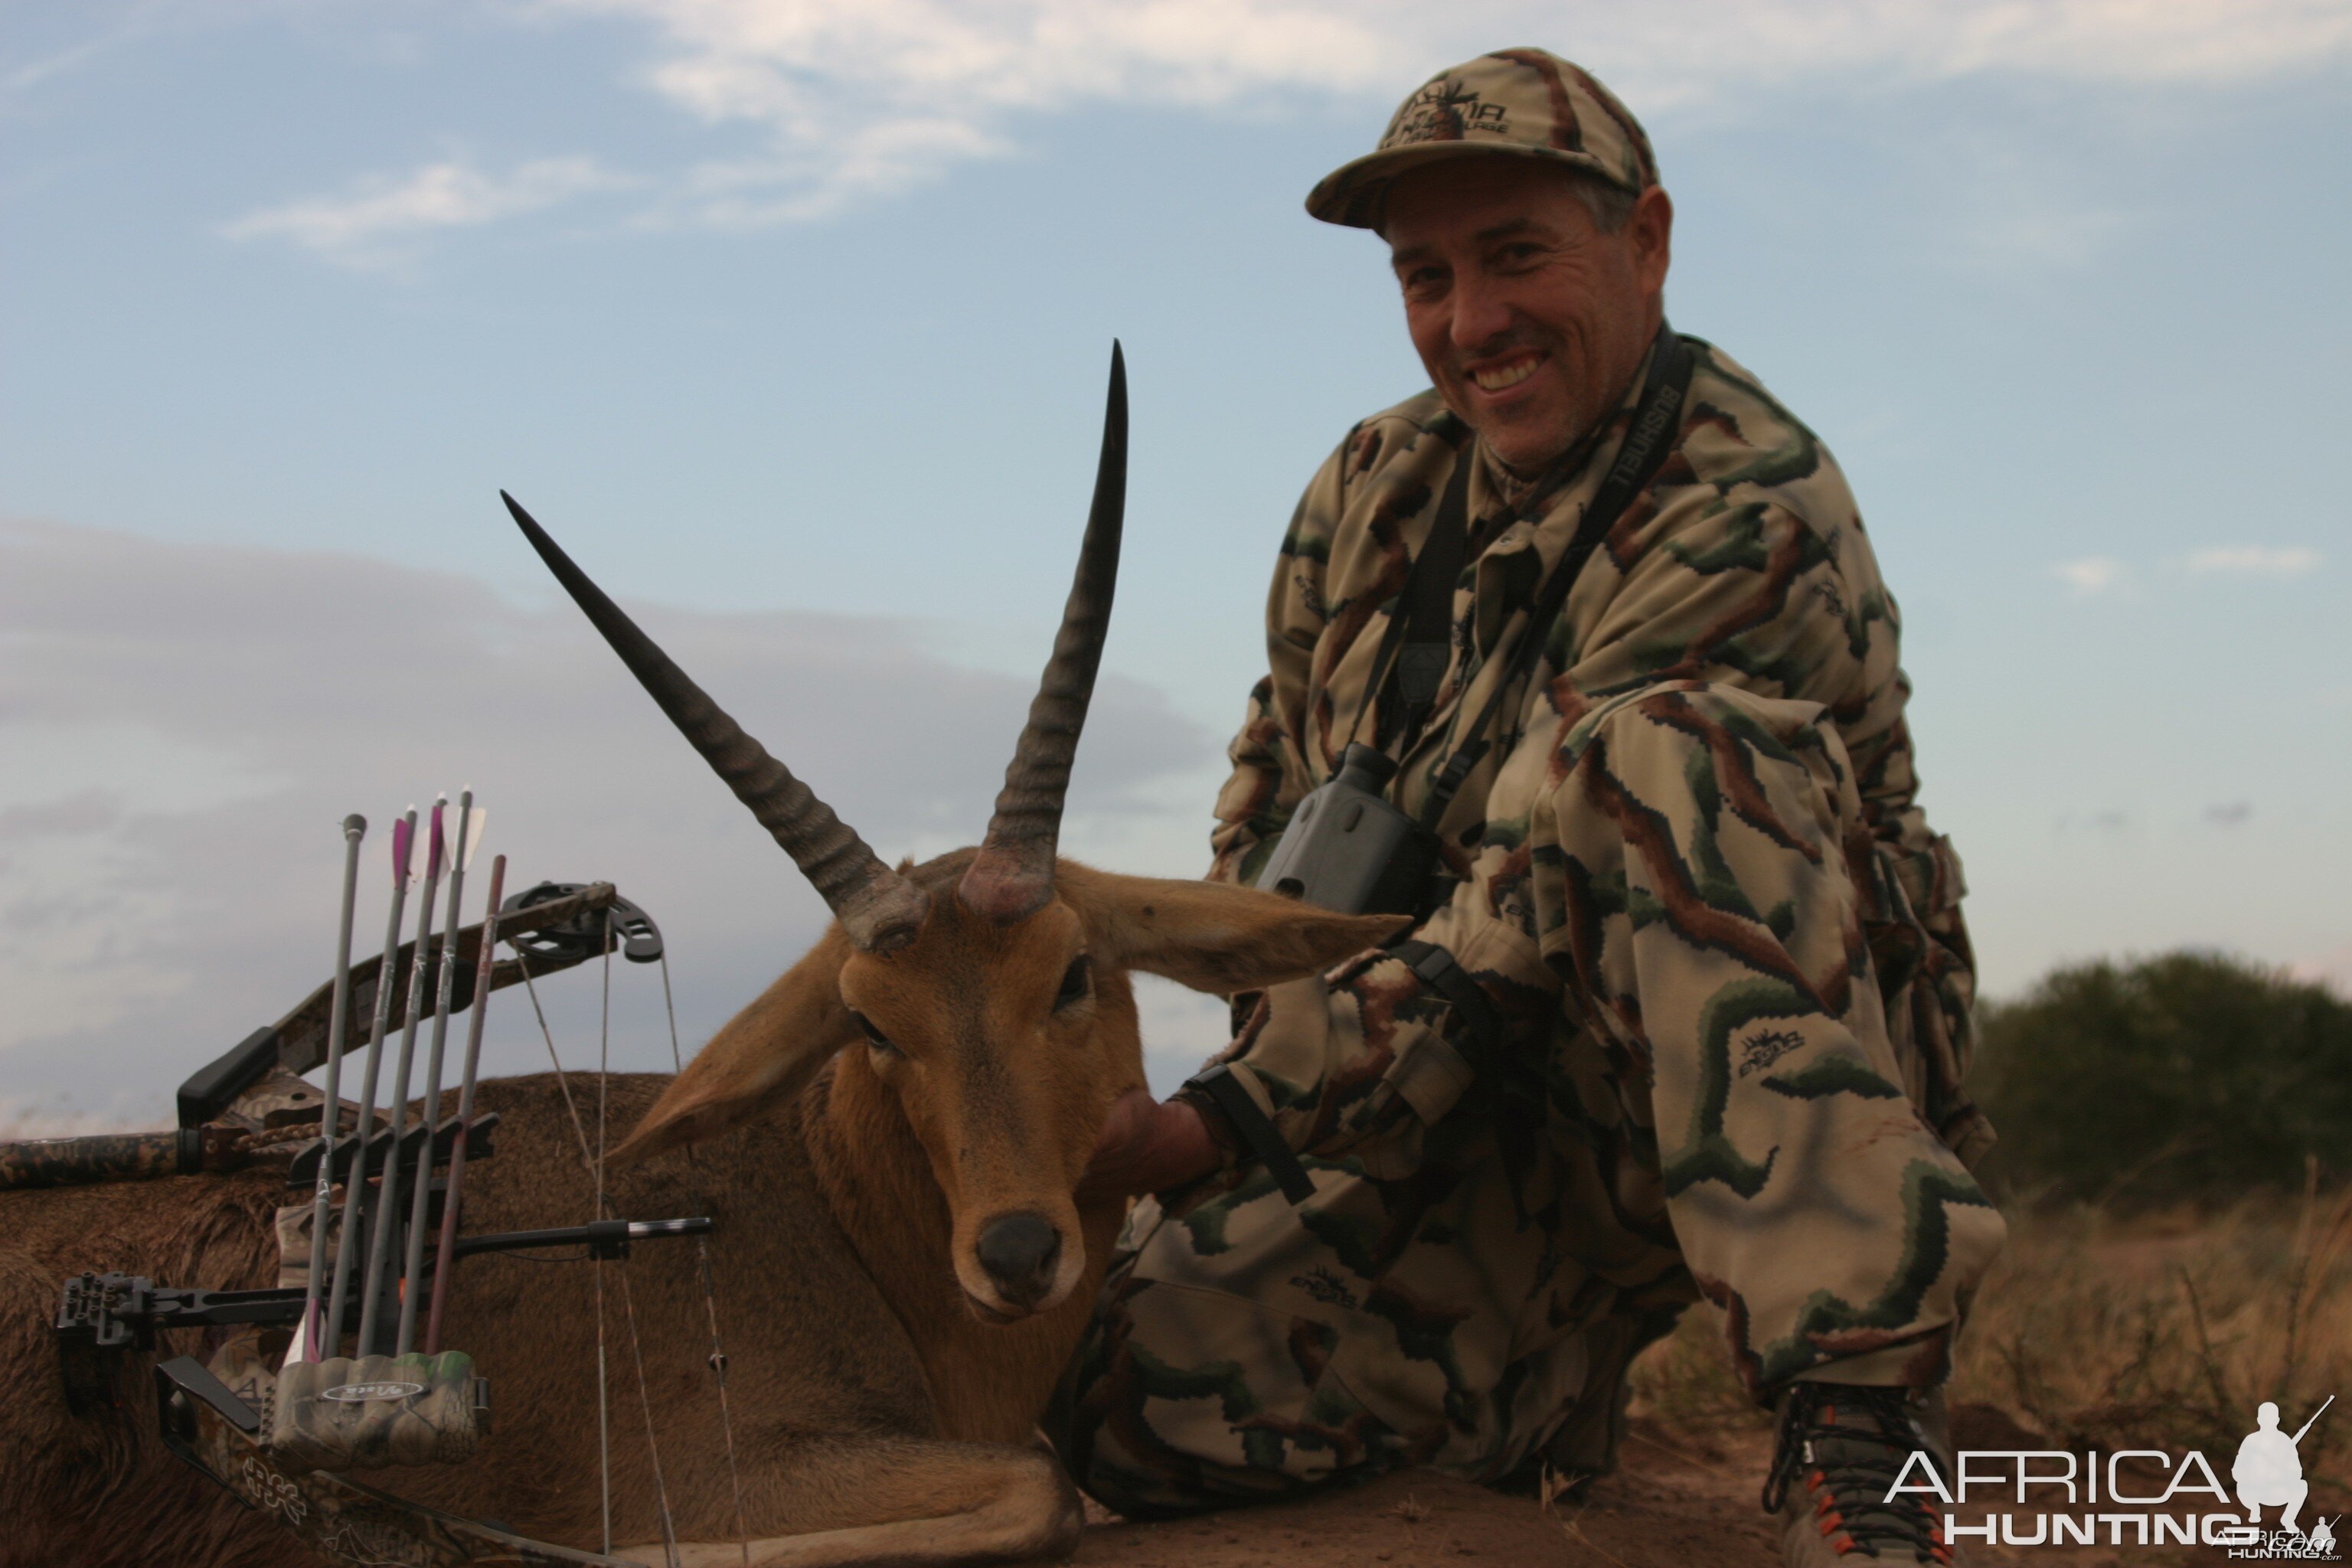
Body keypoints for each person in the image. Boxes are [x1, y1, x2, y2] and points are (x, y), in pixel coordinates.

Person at [1059, 48, 2005, 1568]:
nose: (1471, 323)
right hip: (1441, 1087)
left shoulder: (1752, 504)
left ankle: (1861, 1420)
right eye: (1423, 275)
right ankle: (1526, 1384)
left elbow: (1524, 898)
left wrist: (1221, 1122)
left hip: (1701, 1075)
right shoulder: (1368, 483)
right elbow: (1267, 803)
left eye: (1515, 257)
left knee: (1663, 753)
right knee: (1129, 1395)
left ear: (1647, 244)